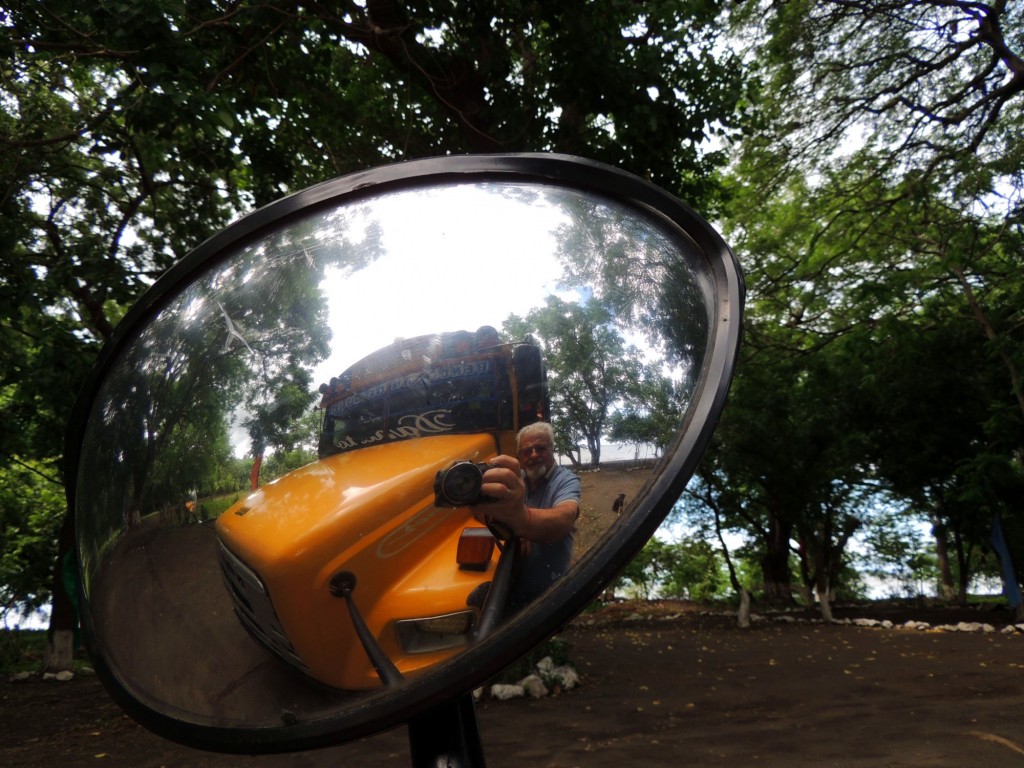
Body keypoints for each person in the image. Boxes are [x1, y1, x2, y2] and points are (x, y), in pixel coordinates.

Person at [472, 422, 581, 613]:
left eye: (540, 448)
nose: (533, 455)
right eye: (526, 451)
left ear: (552, 449)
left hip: (550, 584)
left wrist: (521, 521)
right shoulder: (516, 479)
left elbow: (565, 518)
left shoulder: (566, 480)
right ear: (519, 457)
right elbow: (484, 512)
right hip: (516, 578)